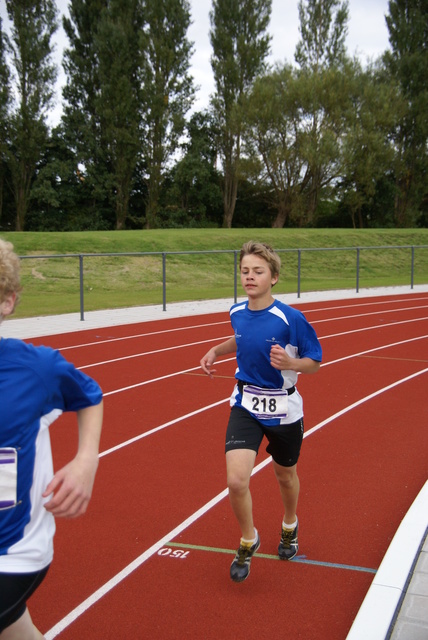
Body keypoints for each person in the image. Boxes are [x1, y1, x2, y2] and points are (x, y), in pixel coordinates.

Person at [200, 241, 322, 583]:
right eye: (245, 271)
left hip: (283, 409)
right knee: (236, 480)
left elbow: (314, 362)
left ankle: (289, 525)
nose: (250, 277)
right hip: (246, 404)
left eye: (258, 271)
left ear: (274, 278)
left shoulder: (291, 318)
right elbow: (241, 338)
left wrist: (291, 362)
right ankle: (248, 539)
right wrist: (215, 350)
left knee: (285, 476)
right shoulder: (237, 311)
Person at [0, 239, 103, 639]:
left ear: (7, 302)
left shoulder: (36, 368)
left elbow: (89, 396)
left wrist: (85, 461)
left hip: (13, 552)